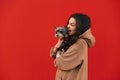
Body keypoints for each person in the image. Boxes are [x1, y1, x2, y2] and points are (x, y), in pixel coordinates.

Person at [50, 13, 96, 80]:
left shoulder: (80, 44)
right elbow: (57, 56)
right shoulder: (72, 41)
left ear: (80, 27)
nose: (68, 26)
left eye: (72, 24)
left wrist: (57, 60)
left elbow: (62, 62)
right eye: (68, 23)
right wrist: (57, 47)